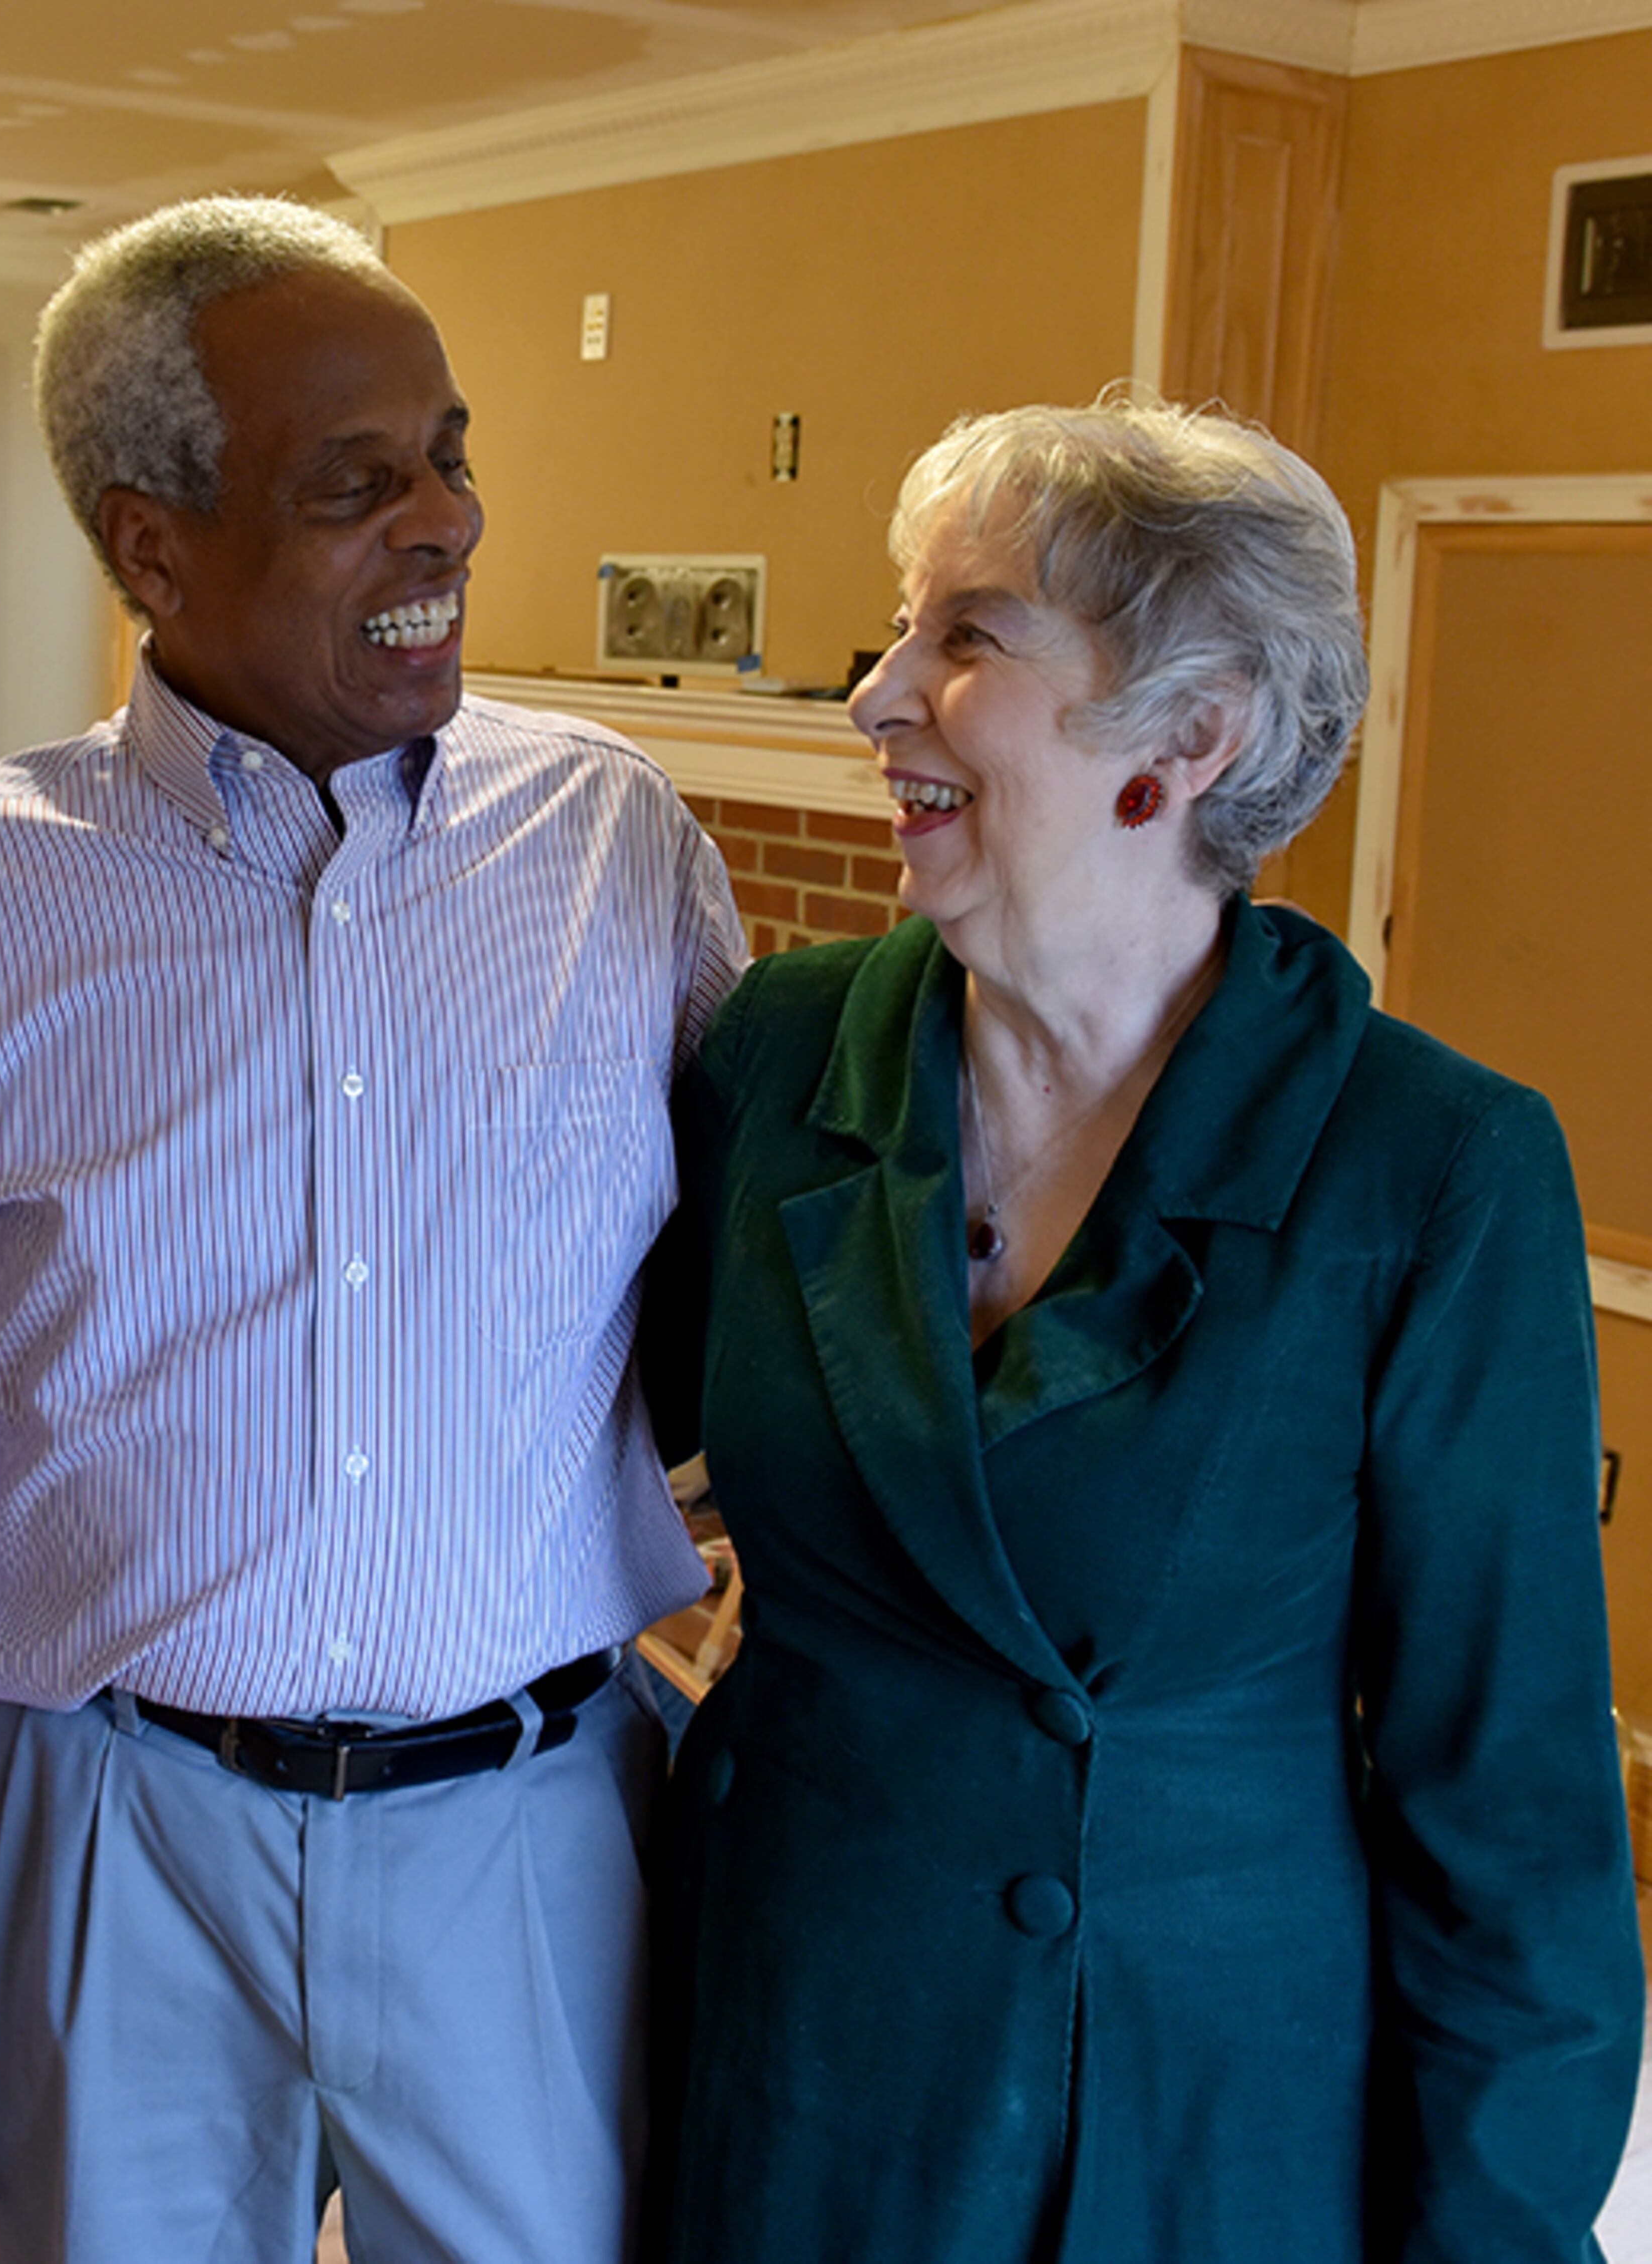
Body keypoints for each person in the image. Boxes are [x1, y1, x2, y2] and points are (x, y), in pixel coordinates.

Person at [0, 194, 744, 2263]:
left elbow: (761, 1304)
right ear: (153, 545)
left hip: (541, 1834)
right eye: (353, 485)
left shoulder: (614, 847)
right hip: (118, 1840)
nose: (448, 522)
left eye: (453, 454)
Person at [647, 395, 1643, 2263]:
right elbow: (582, 1435)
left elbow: (1508, 1812)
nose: (873, 697)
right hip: (798, 2042)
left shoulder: (1430, 1166)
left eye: (966, 638)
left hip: (1194, 2096)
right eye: (897, 625)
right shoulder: (779, 1054)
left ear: (1186, 739)